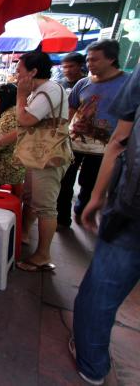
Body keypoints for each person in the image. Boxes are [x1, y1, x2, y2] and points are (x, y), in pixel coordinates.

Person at [70, 63, 140, 386]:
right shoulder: (83, 84)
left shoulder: (132, 79)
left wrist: (98, 196)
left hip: (132, 206)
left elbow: (119, 140)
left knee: (104, 285)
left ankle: (92, 364)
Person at [56, 40, 130, 227]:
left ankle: (82, 212)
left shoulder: (127, 84)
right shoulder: (83, 83)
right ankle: (62, 219)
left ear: (111, 59)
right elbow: (71, 110)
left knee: (88, 184)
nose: (90, 64)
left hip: (104, 149)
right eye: (88, 60)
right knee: (64, 182)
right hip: (74, 143)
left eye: (95, 60)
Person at [14, 52, 70, 272]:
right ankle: (26, 234)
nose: (16, 74)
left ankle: (43, 255)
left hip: (48, 157)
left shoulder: (50, 90)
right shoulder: (40, 91)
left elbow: (26, 119)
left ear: (33, 72)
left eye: (19, 70)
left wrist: (20, 96)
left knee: (45, 207)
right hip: (37, 155)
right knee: (30, 197)